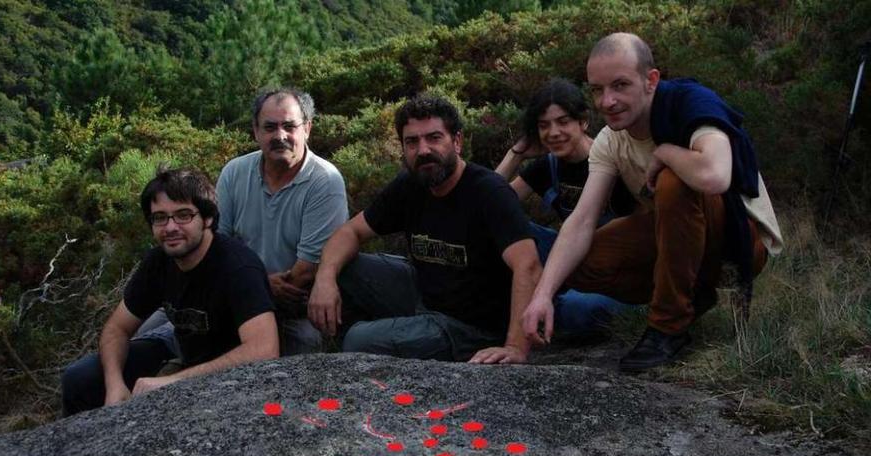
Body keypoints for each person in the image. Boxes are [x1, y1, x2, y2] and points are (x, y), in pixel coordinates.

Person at [522, 32, 783, 371]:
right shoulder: (609, 141)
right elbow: (582, 219)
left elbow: (715, 175)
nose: (607, 101)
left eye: (620, 85)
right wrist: (543, 294)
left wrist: (667, 152)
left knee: (672, 181)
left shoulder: (689, 103)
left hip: (737, 242)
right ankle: (692, 296)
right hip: (676, 239)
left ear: (651, 80)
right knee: (580, 264)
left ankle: (667, 327)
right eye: (597, 90)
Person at [308, 95, 542, 364]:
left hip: (472, 328)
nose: (423, 150)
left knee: (359, 340)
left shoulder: (489, 192)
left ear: (457, 141)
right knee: (343, 269)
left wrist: (515, 347)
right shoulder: (411, 185)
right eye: (412, 142)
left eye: (434, 138)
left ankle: (380, 346)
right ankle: (388, 341)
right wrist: (324, 277)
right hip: (425, 297)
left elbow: (529, 265)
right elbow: (351, 232)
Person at [61, 168, 279, 416]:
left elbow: (264, 349)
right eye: (160, 218)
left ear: (207, 219)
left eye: (183, 215)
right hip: (181, 349)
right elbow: (117, 329)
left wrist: (174, 382)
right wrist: (115, 385)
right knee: (79, 379)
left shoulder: (238, 267)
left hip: (230, 372)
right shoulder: (159, 262)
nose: (170, 227)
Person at [495, 78, 634, 340]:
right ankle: (537, 304)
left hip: (615, 270)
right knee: (512, 229)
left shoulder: (610, 160)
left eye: (563, 122)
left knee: (577, 310)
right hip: (567, 261)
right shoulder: (549, 165)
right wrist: (516, 154)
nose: (553, 132)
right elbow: (491, 204)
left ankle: (540, 307)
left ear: (582, 122)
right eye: (544, 125)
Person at [216, 88, 348, 355]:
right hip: (237, 299)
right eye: (270, 127)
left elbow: (304, 273)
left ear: (307, 128)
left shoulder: (325, 181)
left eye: (289, 126)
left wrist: (252, 285)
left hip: (296, 309)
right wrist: (262, 285)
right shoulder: (234, 173)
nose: (280, 136)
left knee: (304, 356)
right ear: (255, 131)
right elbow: (217, 247)